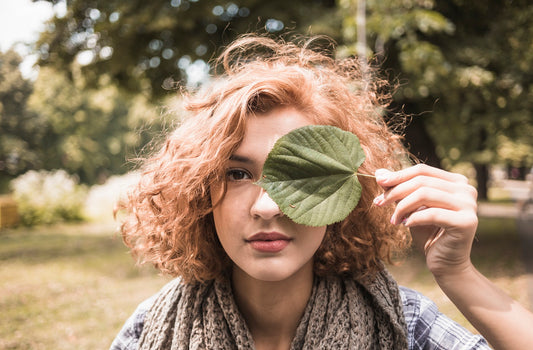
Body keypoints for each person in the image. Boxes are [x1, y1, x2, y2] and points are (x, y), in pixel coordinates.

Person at [110, 34, 533, 350]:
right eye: (238, 174)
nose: (268, 205)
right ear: (199, 192)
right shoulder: (150, 330)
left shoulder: (404, 324)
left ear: (344, 195)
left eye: (302, 173)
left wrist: (460, 275)